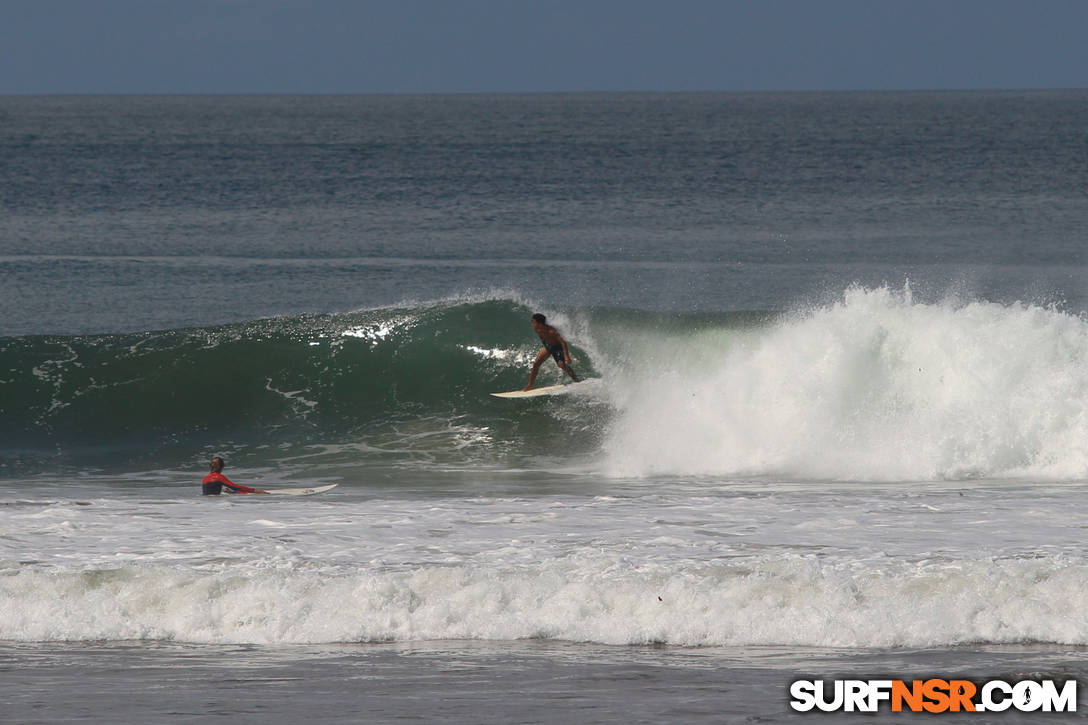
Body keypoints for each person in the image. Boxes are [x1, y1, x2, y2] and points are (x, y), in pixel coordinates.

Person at [524, 313, 580, 391]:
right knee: (536, 364)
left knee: (562, 365)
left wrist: (567, 356)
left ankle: (576, 380)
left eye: (533, 321)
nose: (532, 323)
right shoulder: (537, 329)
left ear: (539, 323)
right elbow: (542, 338)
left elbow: (563, 343)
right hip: (548, 346)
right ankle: (530, 385)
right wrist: (546, 347)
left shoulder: (551, 331)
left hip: (557, 347)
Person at [201, 457, 268, 495]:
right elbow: (236, 487)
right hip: (214, 503)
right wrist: (254, 490)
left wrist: (231, 492)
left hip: (207, 502)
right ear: (222, 466)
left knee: (236, 492)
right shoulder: (218, 477)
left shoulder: (205, 478)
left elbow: (210, 494)